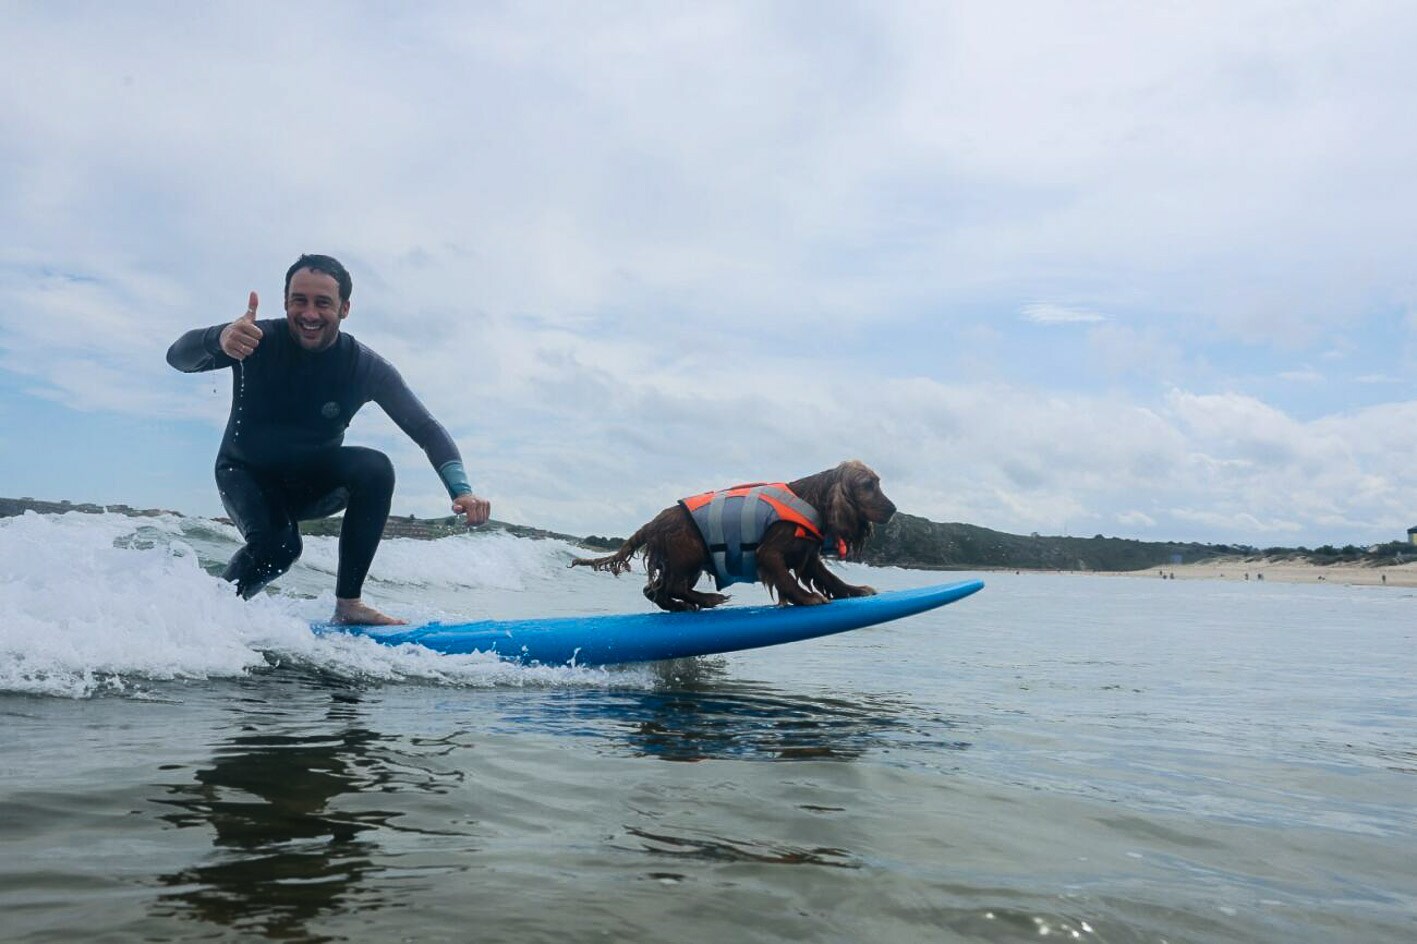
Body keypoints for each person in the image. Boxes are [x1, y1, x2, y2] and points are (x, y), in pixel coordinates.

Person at [167, 254, 490, 625]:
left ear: (345, 308)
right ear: (285, 301)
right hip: (244, 474)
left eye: (323, 303)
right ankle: (209, 617)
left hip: (309, 482)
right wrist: (218, 338)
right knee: (280, 548)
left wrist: (461, 490)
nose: (309, 313)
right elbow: (177, 357)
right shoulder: (253, 341)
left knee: (375, 468)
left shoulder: (364, 366)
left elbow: (425, 428)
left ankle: (348, 605)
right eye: (299, 300)